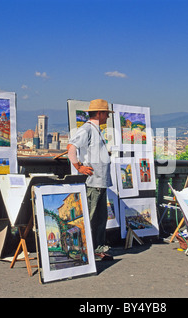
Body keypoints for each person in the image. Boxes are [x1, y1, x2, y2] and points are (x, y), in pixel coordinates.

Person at [67, 99, 114, 261]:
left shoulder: (94, 129)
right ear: (100, 113)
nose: (107, 117)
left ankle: (97, 249)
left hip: (100, 183)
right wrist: (79, 167)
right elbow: (71, 148)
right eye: (106, 113)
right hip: (94, 183)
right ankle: (87, 250)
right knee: (91, 217)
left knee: (100, 219)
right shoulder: (87, 129)